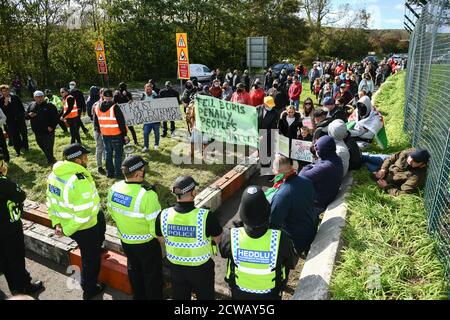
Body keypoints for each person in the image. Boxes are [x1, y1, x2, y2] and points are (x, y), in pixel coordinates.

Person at [46, 143, 106, 300]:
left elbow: (51, 202)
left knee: (101, 220)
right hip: (85, 226)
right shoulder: (78, 180)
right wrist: (68, 229)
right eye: (85, 156)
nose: (87, 159)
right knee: (90, 259)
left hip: (78, 221)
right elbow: (84, 214)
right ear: (77, 161)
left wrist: (57, 223)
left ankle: (97, 247)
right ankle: (89, 288)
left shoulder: (54, 175)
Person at [219, 185, 295, 300]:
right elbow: (290, 263)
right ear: (267, 212)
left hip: (239, 293)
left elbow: (224, 252)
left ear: (242, 214)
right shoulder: (280, 239)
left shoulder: (231, 236)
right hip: (270, 294)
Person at [156, 176, 222, 300]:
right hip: (201, 269)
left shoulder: (164, 215)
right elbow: (217, 239)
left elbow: (161, 239)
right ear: (193, 193)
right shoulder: (206, 216)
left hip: (176, 268)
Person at [107, 155, 163, 300]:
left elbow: (112, 212)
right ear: (138, 173)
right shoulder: (147, 194)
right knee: (152, 275)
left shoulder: (114, 188)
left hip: (125, 240)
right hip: (147, 244)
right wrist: (164, 242)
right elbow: (155, 226)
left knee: (134, 269)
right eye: (143, 169)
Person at [0, 151, 44, 296]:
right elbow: (21, 195)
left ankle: (13, 286)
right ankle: (24, 286)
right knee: (16, 257)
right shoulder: (4, 183)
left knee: (5, 259)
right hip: (9, 228)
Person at [266, 154, 317, 256]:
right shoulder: (307, 181)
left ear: (275, 172)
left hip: (296, 240)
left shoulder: (281, 195)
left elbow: (273, 223)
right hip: (311, 228)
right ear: (291, 166)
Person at [299, 136, 343, 216]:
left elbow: (302, 176)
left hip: (317, 205)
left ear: (322, 151)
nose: (315, 150)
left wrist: (309, 166)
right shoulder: (335, 158)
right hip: (325, 196)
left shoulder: (325, 167)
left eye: (317, 149)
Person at [93, 89, 130, 179]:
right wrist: (125, 134)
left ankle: (110, 173)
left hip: (105, 135)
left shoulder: (97, 107)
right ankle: (118, 173)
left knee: (108, 154)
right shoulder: (115, 107)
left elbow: (95, 121)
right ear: (112, 96)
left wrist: (99, 131)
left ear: (103, 96)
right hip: (116, 134)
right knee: (118, 155)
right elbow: (121, 122)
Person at [363, 148, 430, 196]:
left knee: (365, 163)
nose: (410, 160)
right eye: (411, 157)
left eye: (415, 161)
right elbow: (391, 158)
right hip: (385, 164)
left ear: (422, 164)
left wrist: (386, 187)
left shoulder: (417, 176)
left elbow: (404, 194)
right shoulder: (410, 151)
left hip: (385, 178)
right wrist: (383, 169)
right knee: (365, 156)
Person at [25, 91, 58, 165]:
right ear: (34, 98)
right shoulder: (31, 105)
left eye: (41, 97)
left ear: (43, 97)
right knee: (41, 145)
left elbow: (56, 118)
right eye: (37, 97)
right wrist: (29, 115)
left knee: (49, 147)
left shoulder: (50, 106)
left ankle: (51, 161)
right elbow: (26, 116)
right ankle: (50, 158)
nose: (39, 99)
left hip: (48, 131)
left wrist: (52, 127)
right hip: (37, 131)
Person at [0, 84, 29, 156]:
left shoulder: (15, 97)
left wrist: (22, 116)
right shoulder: (0, 100)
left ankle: (26, 147)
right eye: (3, 91)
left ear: (9, 91)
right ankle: (18, 150)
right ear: (1, 92)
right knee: (14, 136)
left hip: (20, 119)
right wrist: (5, 104)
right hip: (10, 121)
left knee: (24, 133)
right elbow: (1, 112)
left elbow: (22, 108)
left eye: (7, 90)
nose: (5, 92)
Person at [257, 96, 278, 164]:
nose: (271, 107)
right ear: (265, 104)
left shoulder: (274, 113)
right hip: (258, 133)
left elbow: (273, 127)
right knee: (259, 149)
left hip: (268, 135)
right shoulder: (258, 108)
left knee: (267, 151)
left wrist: (263, 136)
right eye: (269, 105)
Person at [141, 83, 160, 152]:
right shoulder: (143, 96)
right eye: (147, 89)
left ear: (152, 89)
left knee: (157, 133)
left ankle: (156, 145)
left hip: (156, 118)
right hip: (147, 119)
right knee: (145, 133)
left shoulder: (156, 96)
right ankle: (146, 146)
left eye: (149, 89)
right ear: (145, 89)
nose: (148, 90)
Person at [91, 88, 106, 175]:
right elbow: (94, 118)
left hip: (108, 130)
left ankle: (107, 163)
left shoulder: (111, 104)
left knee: (107, 148)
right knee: (100, 148)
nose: (105, 96)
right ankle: (99, 167)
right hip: (99, 131)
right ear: (100, 94)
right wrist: (98, 130)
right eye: (103, 94)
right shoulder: (96, 104)